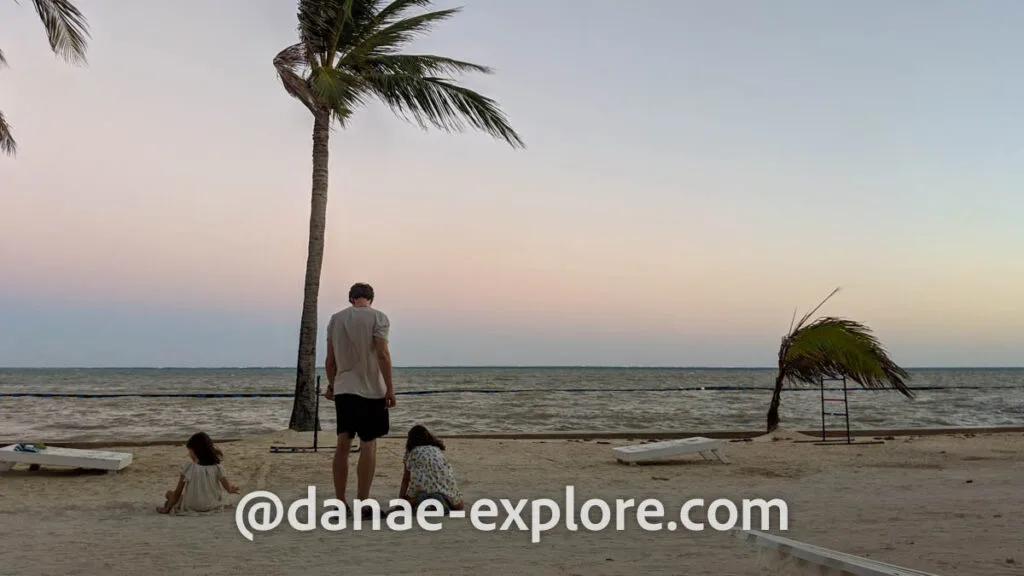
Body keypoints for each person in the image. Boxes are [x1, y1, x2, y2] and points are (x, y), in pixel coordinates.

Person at [324, 282, 396, 515]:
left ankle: (339, 502)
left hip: (345, 389)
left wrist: (332, 385)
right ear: (370, 299)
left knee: (342, 446)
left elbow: (330, 360)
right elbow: (383, 354)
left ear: (351, 299)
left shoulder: (336, 319)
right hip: (371, 390)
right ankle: (363, 503)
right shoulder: (378, 318)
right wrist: (390, 388)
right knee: (368, 446)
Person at [157, 431, 240, 514]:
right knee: (175, 496)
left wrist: (167, 509)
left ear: (195, 451)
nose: (189, 454)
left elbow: (178, 493)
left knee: (169, 494)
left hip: (192, 505)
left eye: (190, 451)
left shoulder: (188, 467)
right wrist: (231, 489)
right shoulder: (217, 467)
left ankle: (169, 504)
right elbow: (228, 488)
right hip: (212, 504)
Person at [399, 424, 464, 511]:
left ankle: (421, 500)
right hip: (443, 489)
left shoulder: (410, 452)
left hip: (421, 490)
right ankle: (442, 499)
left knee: (408, 503)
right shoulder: (437, 450)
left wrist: (401, 500)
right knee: (460, 506)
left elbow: (406, 479)